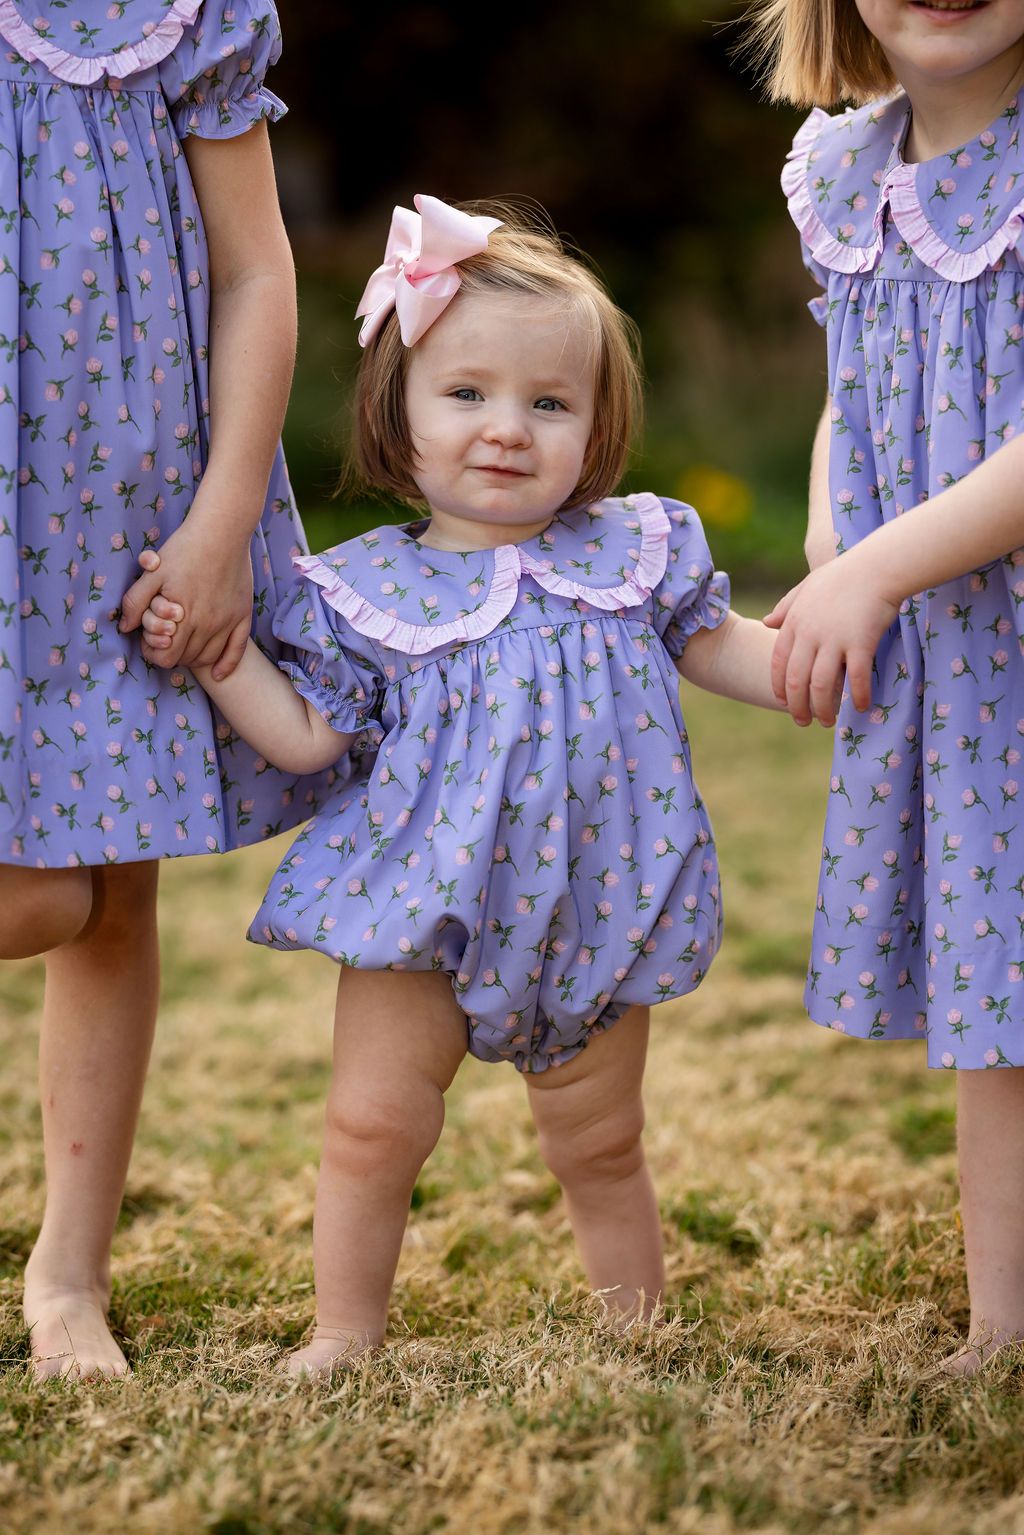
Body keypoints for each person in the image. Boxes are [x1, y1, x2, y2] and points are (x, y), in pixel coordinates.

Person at [139, 195, 783, 1375]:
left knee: (599, 1139)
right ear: (401, 411)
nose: (506, 427)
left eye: (549, 402)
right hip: (417, 912)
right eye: (467, 393)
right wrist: (212, 655)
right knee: (372, 1123)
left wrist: (816, 666)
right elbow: (302, 741)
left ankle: (633, 1330)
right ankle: (345, 1330)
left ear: (596, 426)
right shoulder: (365, 589)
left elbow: (727, 646)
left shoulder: (633, 556)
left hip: (595, 905)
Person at [1, 0, 335, 1379]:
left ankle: (67, 1268)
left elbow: (256, 271)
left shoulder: (184, 16)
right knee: (40, 891)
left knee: (106, 885)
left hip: (121, 515)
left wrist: (221, 518)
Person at [750, 0, 1024, 1369]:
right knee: (1004, 994)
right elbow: (848, 384)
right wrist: (827, 539)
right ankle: (1002, 1324)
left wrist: (880, 568)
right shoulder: (842, 167)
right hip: (968, 663)